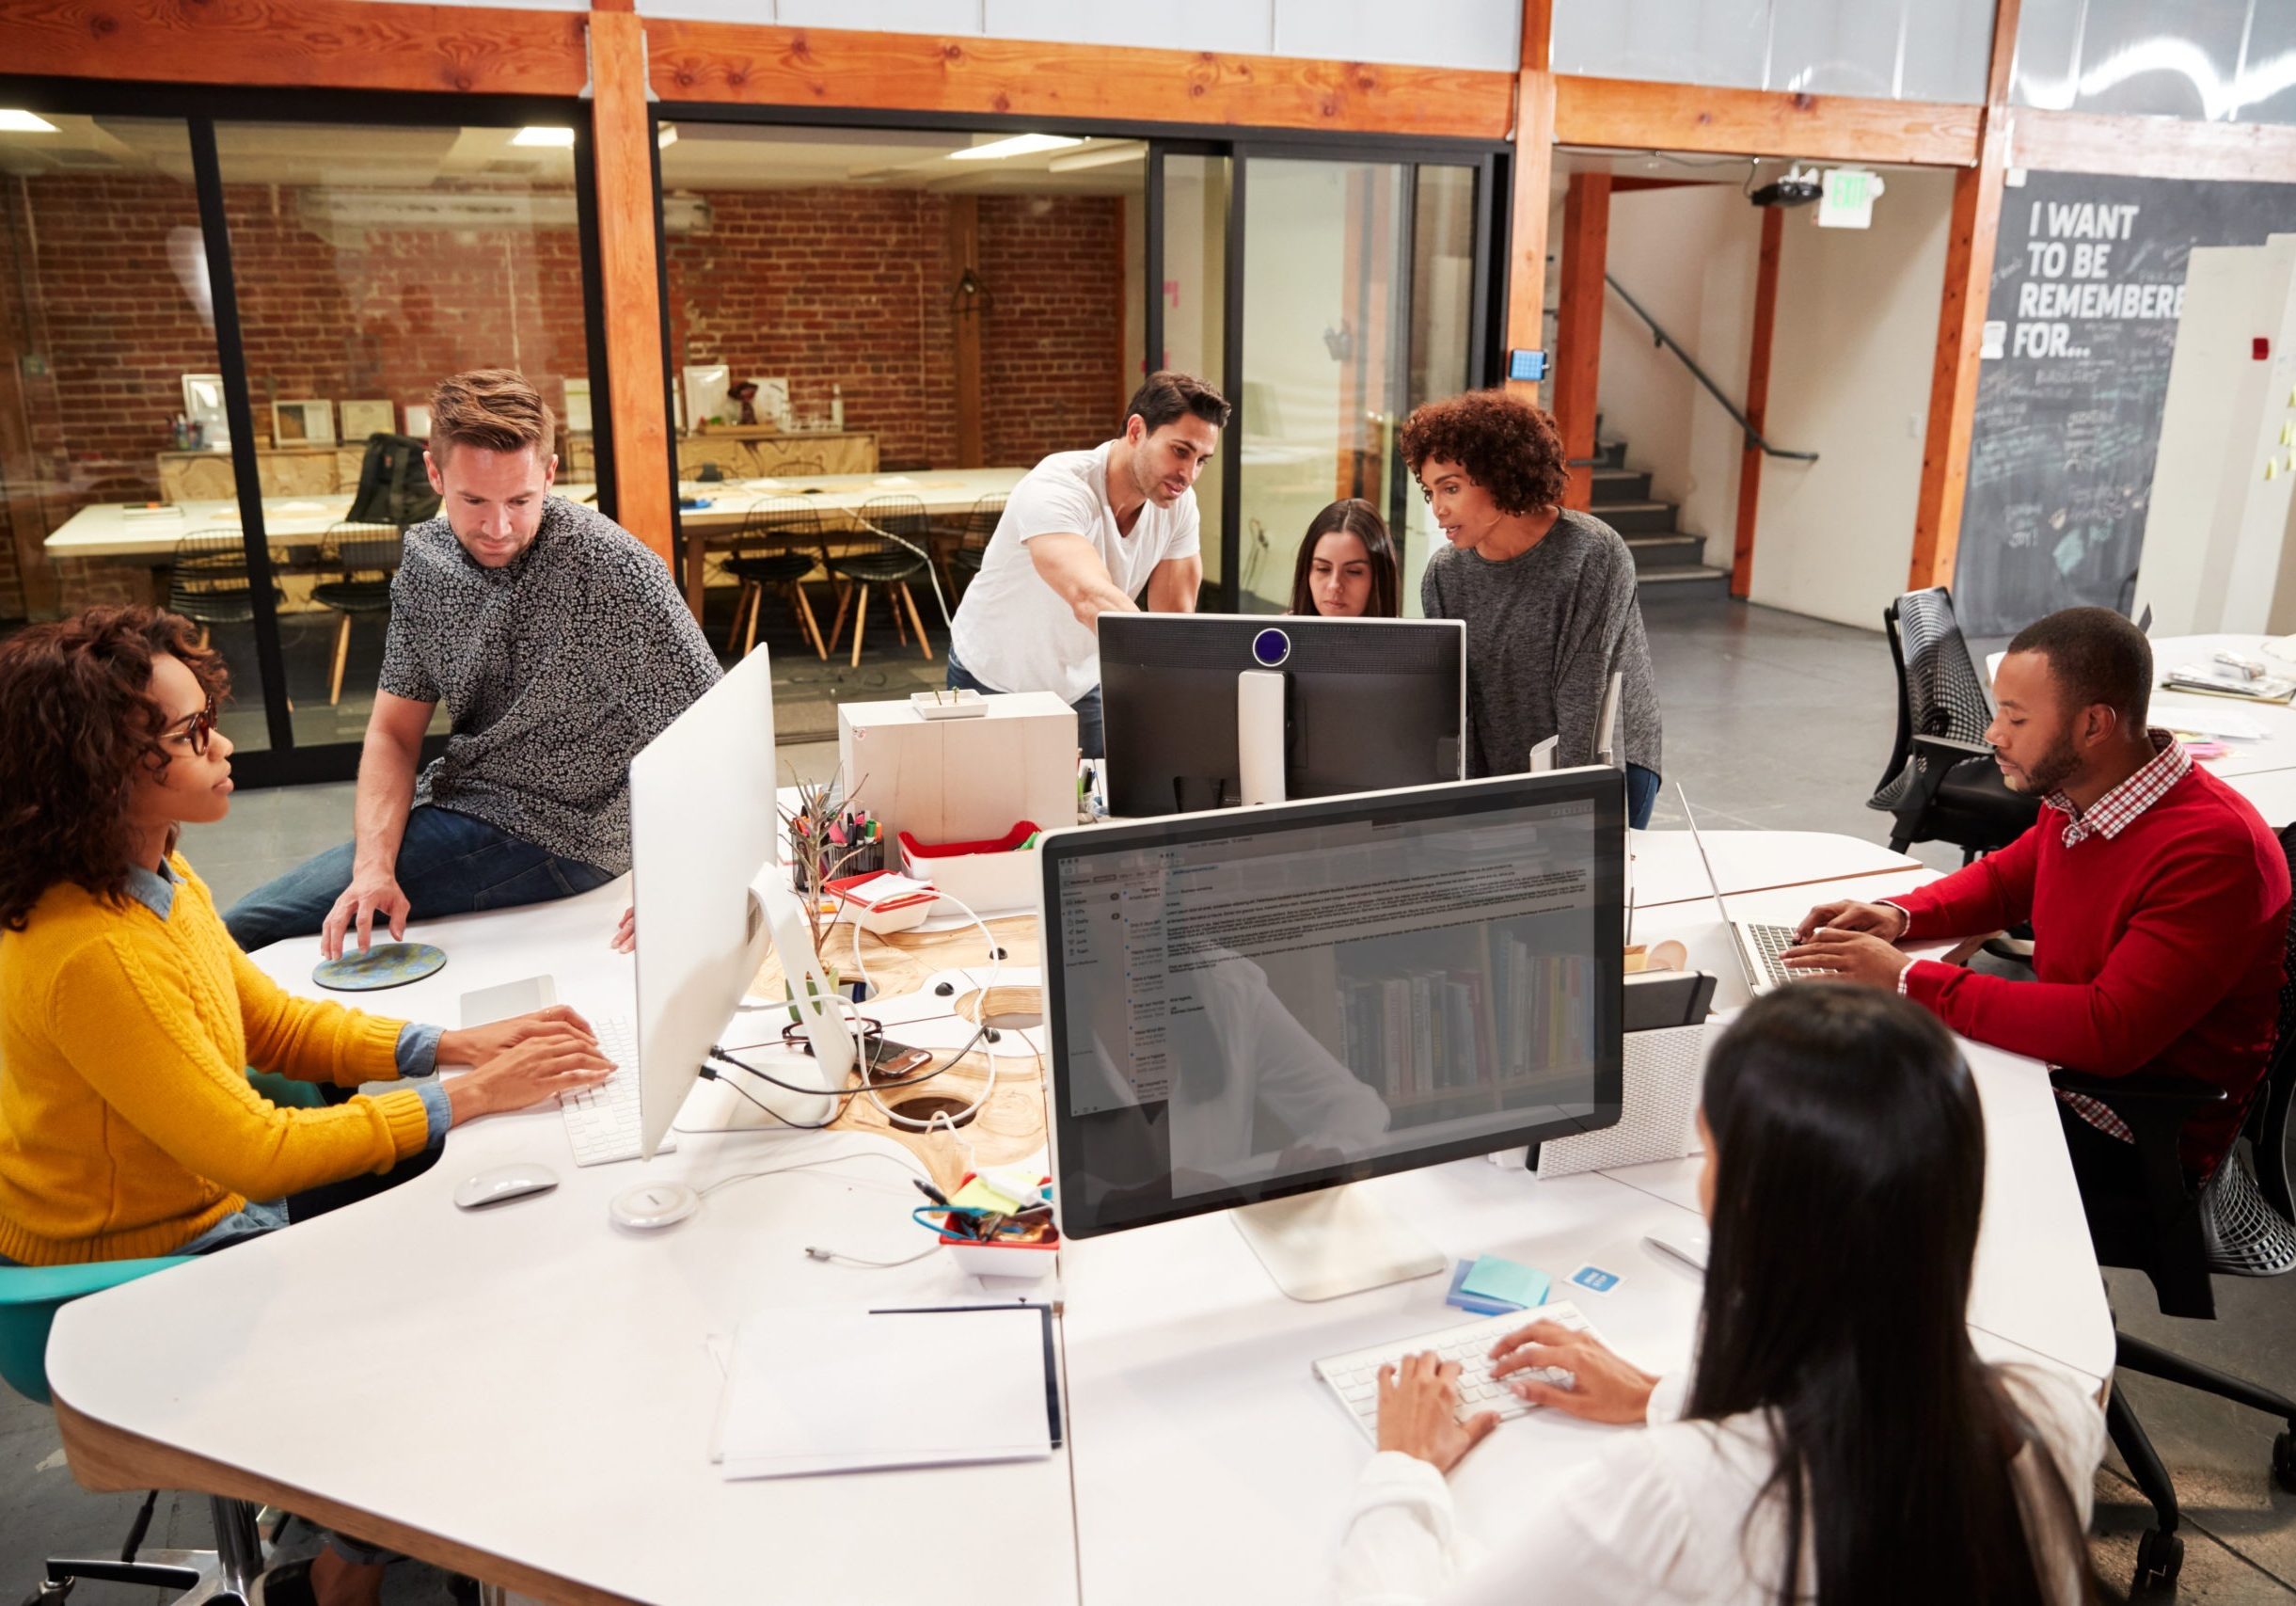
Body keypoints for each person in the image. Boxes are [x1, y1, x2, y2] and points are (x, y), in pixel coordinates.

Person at [0, 609, 613, 1606]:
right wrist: (466, 1097)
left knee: (471, 1229)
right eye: (192, 734)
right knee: (454, 1314)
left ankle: (341, 1523)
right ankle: (335, 1569)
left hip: (199, 1206)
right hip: (128, 1265)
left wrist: (448, 1048)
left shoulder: (151, 867)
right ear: (101, 768)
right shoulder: (91, 952)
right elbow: (255, 1152)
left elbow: (271, 1029)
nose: (225, 745)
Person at [1339, 985, 2104, 1604]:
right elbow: (1859, 1434)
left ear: (1750, 1204)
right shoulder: (2051, 1413)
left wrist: (1402, 1469)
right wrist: (1661, 1395)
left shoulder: (1671, 1498)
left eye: (1708, 1152)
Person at [222, 370, 722, 960]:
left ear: (550, 474)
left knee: (243, 929)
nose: (499, 526)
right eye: (473, 500)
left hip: (560, 831)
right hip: (464, 795)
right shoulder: (427, 565)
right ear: (435, 474)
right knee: (275, 923)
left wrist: (692, 883)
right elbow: (393, 731)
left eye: (520, 500)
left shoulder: (610, 569)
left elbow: (716, 733)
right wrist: (372, 867)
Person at [1783, 606, 2289, 1184]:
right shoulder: (2083, 794)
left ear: (2094, 725)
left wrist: (1907, 979)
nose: (1993, 734)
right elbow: (2006, 880)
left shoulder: (2216, 853)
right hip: (2066, 1071)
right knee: (1834, 1078)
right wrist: (1897, 915)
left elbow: (2108, 1031)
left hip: (2132, 1132)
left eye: (2016, 719)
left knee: (1837, 1126)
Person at [1403, 390, 1662, 827]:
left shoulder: (1592, 553)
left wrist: (1570, 811)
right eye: (1430, 491)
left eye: (1451, 487)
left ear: (1501, 475)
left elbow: (1584, 695)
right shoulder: (1445, 575)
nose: (1438, 508)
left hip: (1607, 764)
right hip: (1505, 764)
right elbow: (1461, 703)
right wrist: (1467, 802)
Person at [943, 371, 1227, 758]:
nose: (1189, 475)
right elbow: (1089, 595)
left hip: (1081, 681)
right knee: (988, 811)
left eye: (1202, 461)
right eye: (1180, 451)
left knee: (1093, 808)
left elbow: (1174, 618)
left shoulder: (1177, 505)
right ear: (1136, 430)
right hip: (992, 675)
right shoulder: (1058, 486)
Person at [1289, 498, 1401, 618]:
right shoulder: (1279, 633)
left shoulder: (1404, 636)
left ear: (1380, 578)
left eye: (1353, 572)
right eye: (1323, 569)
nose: (1334, 585)